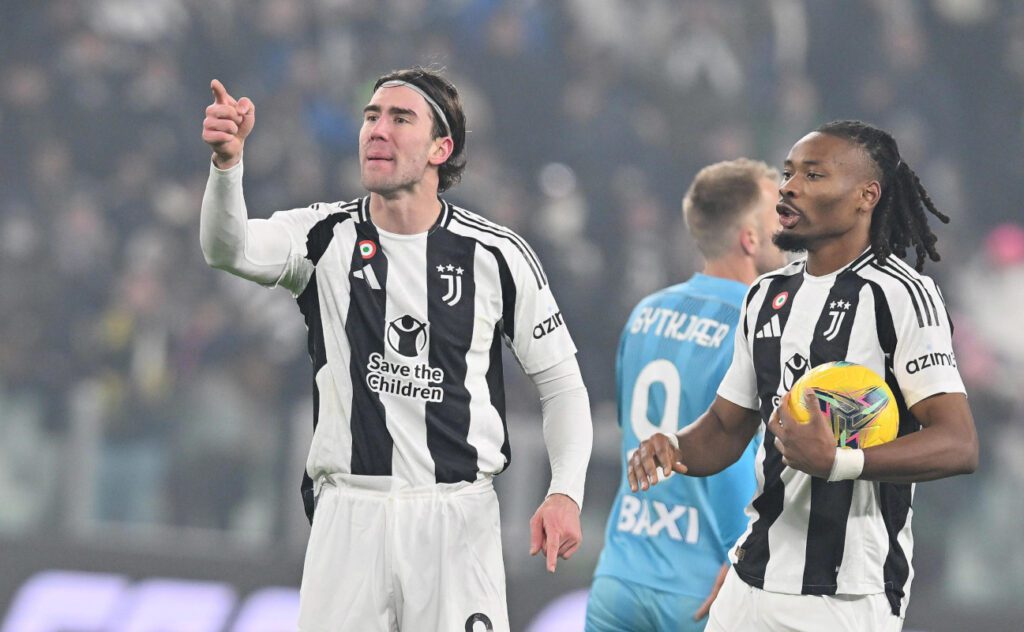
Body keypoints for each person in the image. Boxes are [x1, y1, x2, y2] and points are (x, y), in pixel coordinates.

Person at [199, 66, 593, 632]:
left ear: (441, 147)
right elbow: (226, 249)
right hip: (349, 517)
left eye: (400, 119)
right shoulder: (322, 236)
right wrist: (227, 165)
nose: (377, 130)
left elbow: (561, 385)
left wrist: (565, 492)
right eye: (370, 117)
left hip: (456, 519)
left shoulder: (496, 256)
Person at [627, 120, 978, 632]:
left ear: (866, 195)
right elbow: (727, 428)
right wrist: (673, 448)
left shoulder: (900, 295)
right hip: (750, 580)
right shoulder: (766, 295)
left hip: (845, 595)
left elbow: (958, 444)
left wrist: (838, 461)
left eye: (813, 176)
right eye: (789, 173)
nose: (789, 186)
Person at [586, 159, 787, 632]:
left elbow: (631, 436)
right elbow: (732, 457)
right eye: (776, 215)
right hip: (701, 585)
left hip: (620, 574)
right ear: (749, 238)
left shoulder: (645, 313)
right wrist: (741, 554)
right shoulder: (758, 322)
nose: (786, 226)